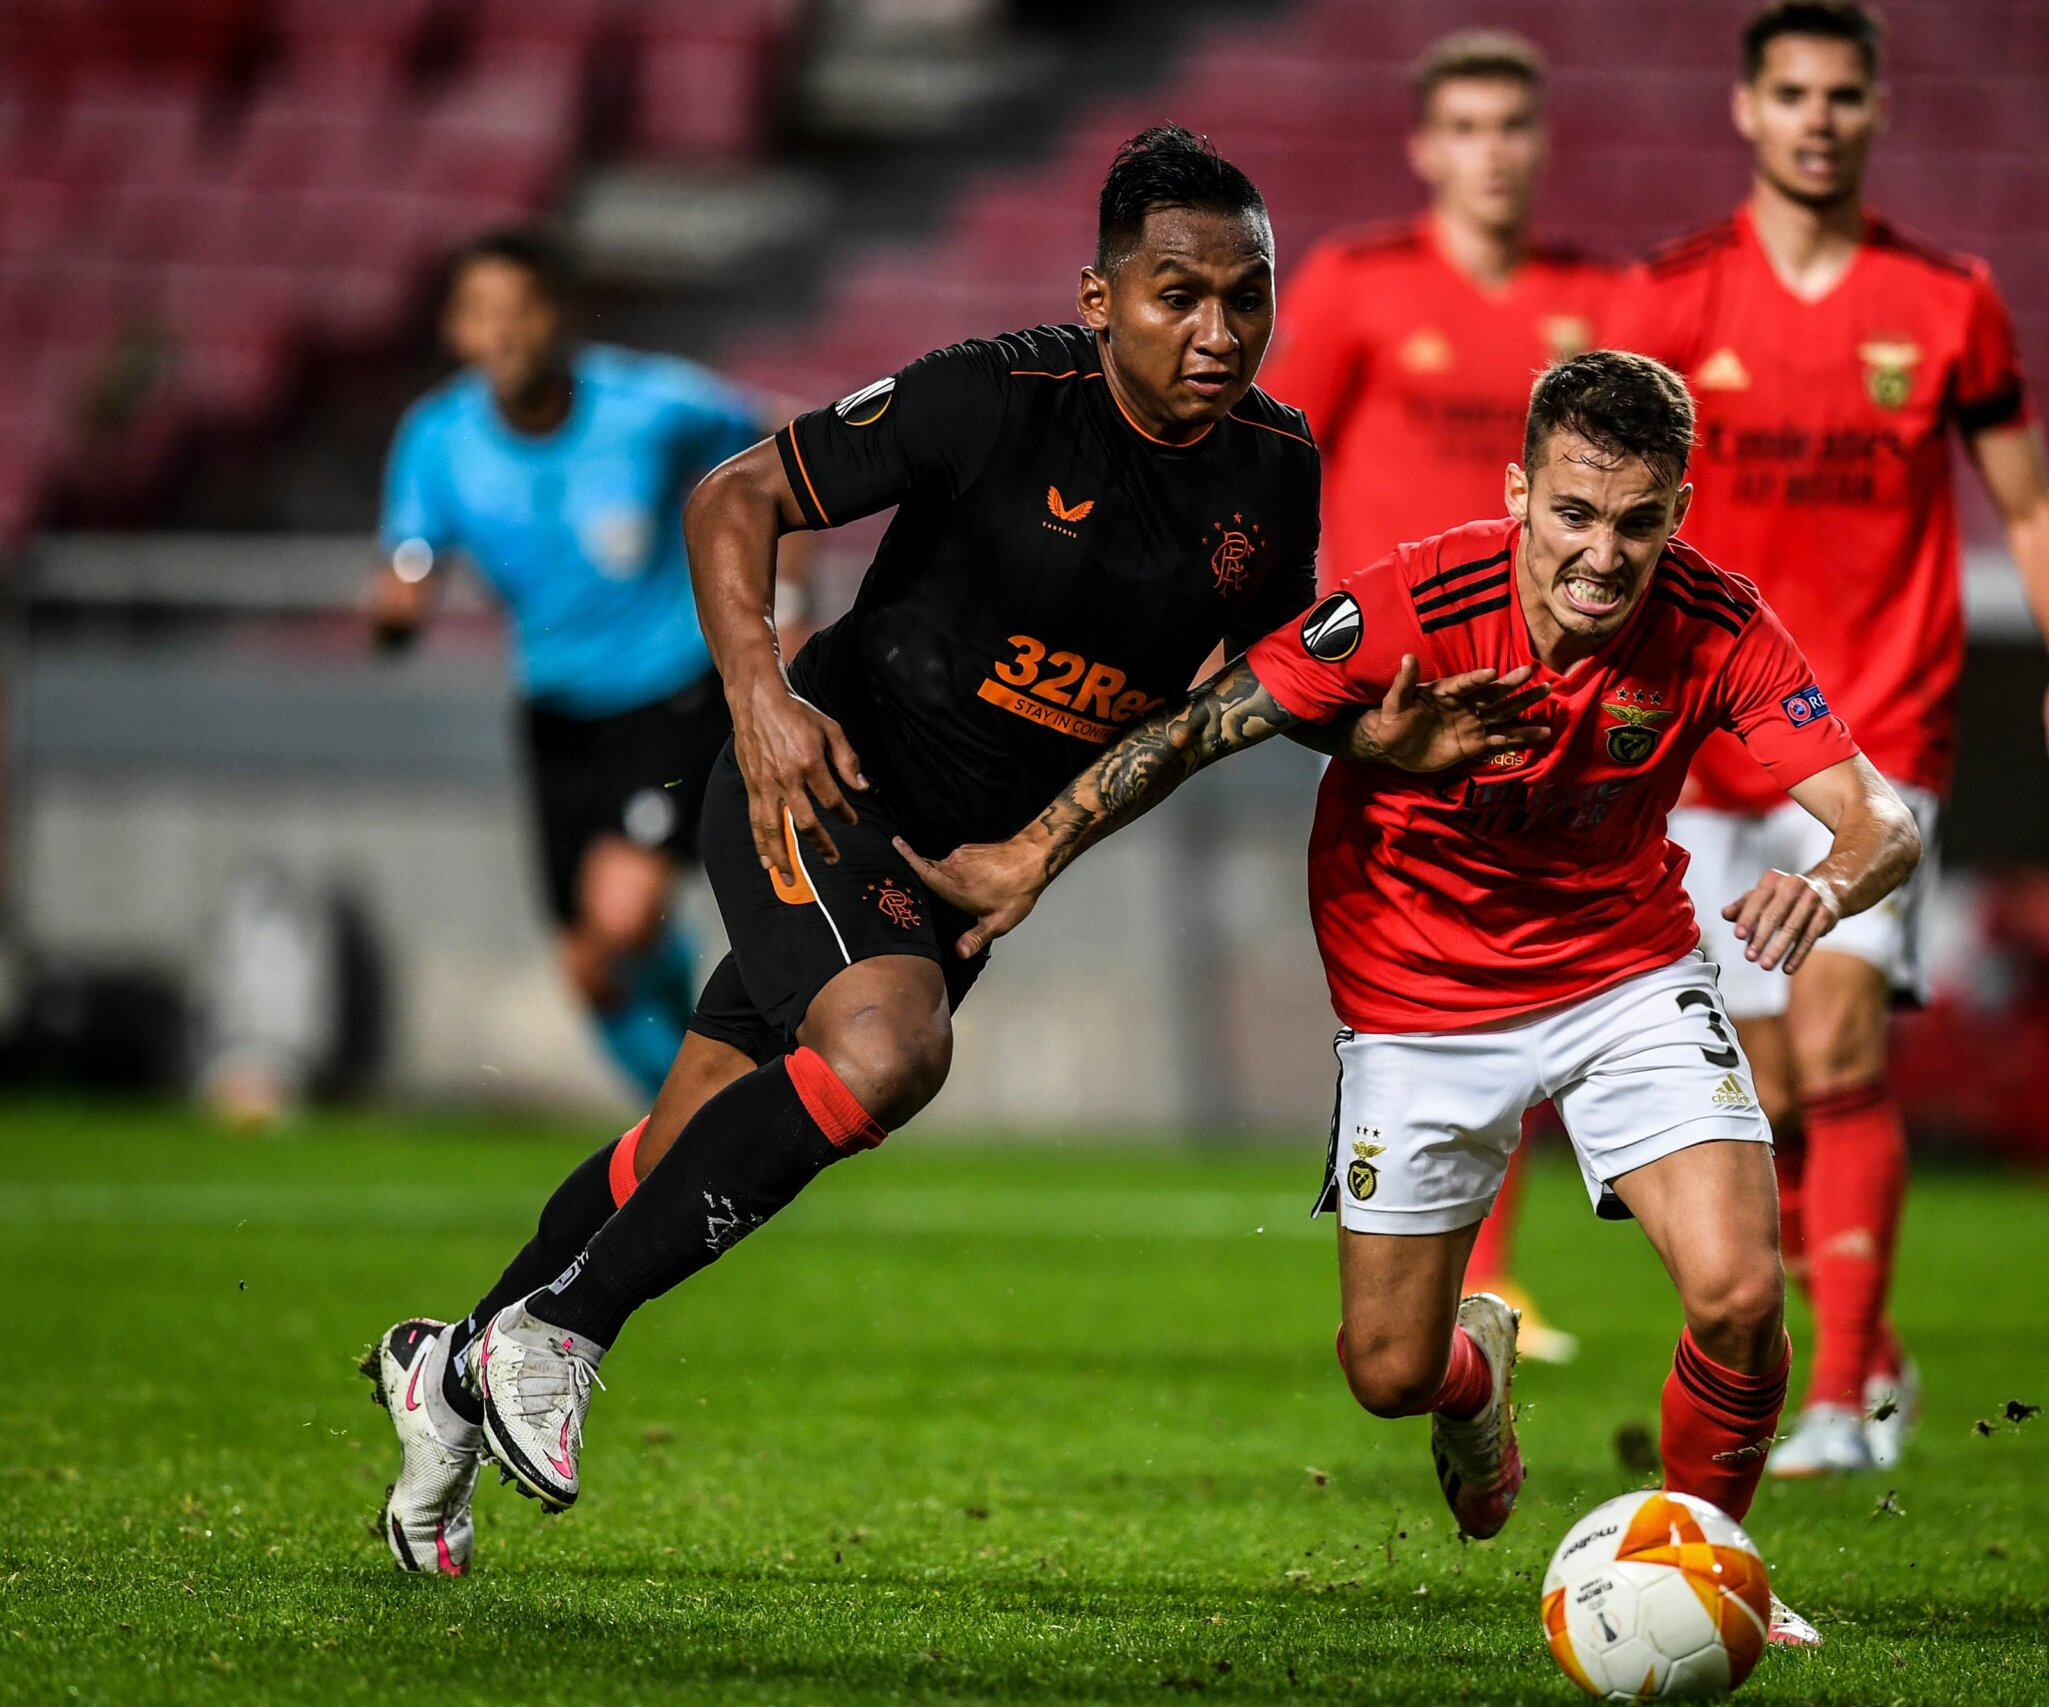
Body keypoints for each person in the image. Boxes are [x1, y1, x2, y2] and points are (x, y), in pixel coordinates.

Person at [359, 127, 1519, 1577]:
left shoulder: (1273, 471)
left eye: (1247, 295)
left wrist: (1368, 742)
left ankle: (450, 1367)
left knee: (682, 1141)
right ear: (1100, 297)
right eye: (1177, 294)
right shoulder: (995, 395)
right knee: (891, 1046)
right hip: (820, 780)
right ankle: (556, 1336)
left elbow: (1255, 682)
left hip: (955, 870)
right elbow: (733, 495)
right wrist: (763, 697)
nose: (1218, 330)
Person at [904, 351, 1924, 1650]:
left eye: (1638, 520)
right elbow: (1211, 721)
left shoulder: (1715, 620)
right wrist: (1032, 851)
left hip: (1625, 969)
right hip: (1417, 995)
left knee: (1737, 1291)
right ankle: (1473, 1367)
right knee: (1388, 1368)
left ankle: (1713, 1566)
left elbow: (1877, 813)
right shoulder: (1415, 603)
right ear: (1518, 491)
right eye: (1573, 511)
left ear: (1677, 511)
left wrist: (1831, 884)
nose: (1604, 554)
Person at [1611, 0, 2049, 1476]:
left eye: (1844, 94)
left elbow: (2028, 503)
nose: (1818, 118)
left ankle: (1838, 1402)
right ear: (1747, 111)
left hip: (1879, 729)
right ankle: (1867, 1339)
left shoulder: (1949, 300)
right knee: (1757, 1085)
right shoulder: (1673, 301)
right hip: (1706, 748)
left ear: (1876, 111)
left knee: (1835, 1038)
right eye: (1793, 93)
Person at [1257, 27, 1626, 1366]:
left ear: (1541, 144)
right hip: (1394, 691)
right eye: (1465, 127)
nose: (1491, 152)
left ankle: (1487, 1271)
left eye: (1512, 128)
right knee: (1431, 974)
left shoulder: (1599, 297)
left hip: (1549, 689)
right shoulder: (1361, 285)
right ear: (1426, 146)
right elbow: (1274, 458)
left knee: (1509, 961)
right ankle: (1425, 1248)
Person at [370, 229, 788, 1101]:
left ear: (559, 315)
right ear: (455, 329)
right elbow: (410, 555)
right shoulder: (438, 437)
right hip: (556, 711)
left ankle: (711, 1109)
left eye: (521, 309)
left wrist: (793, 593)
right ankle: (694, 1112)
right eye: (481, 313)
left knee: (621, 913)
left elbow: (778, 447)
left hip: (673, 690)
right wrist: (399, 606)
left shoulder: (648, 404)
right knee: (590, 967)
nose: (504, 332)